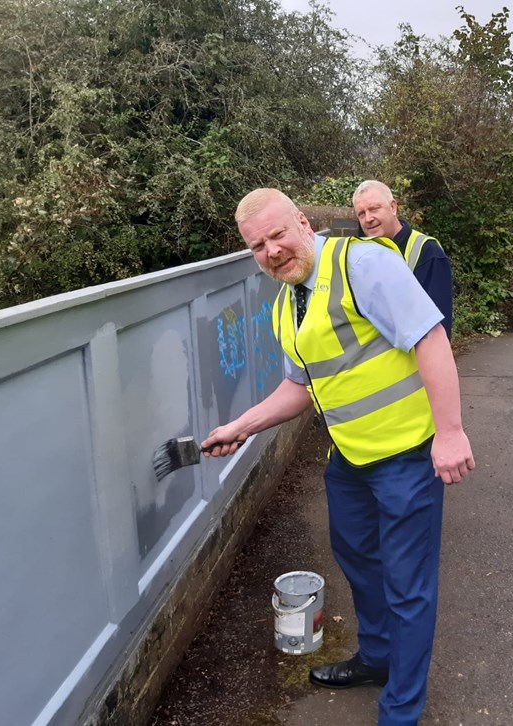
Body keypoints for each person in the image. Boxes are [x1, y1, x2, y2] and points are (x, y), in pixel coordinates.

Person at [201, 188, 474, 726]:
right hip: (350, 458)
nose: (272, 250)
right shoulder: (286, 306)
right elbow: (299, 388)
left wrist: (451, 432)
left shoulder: (363, 262)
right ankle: (377, 659)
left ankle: (400, 711)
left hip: (407, 456)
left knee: (407, 586)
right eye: (258, 246)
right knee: (358, 561)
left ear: (303, 223)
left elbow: (430, 338)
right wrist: (240, 426)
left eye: (278, 234)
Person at [352, 180, 453, 339]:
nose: (368, 218)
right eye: (361, 214)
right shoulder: (358, 254)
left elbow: (438, 332)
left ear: (393, 207)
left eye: (374, 209)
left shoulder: (427, 251)